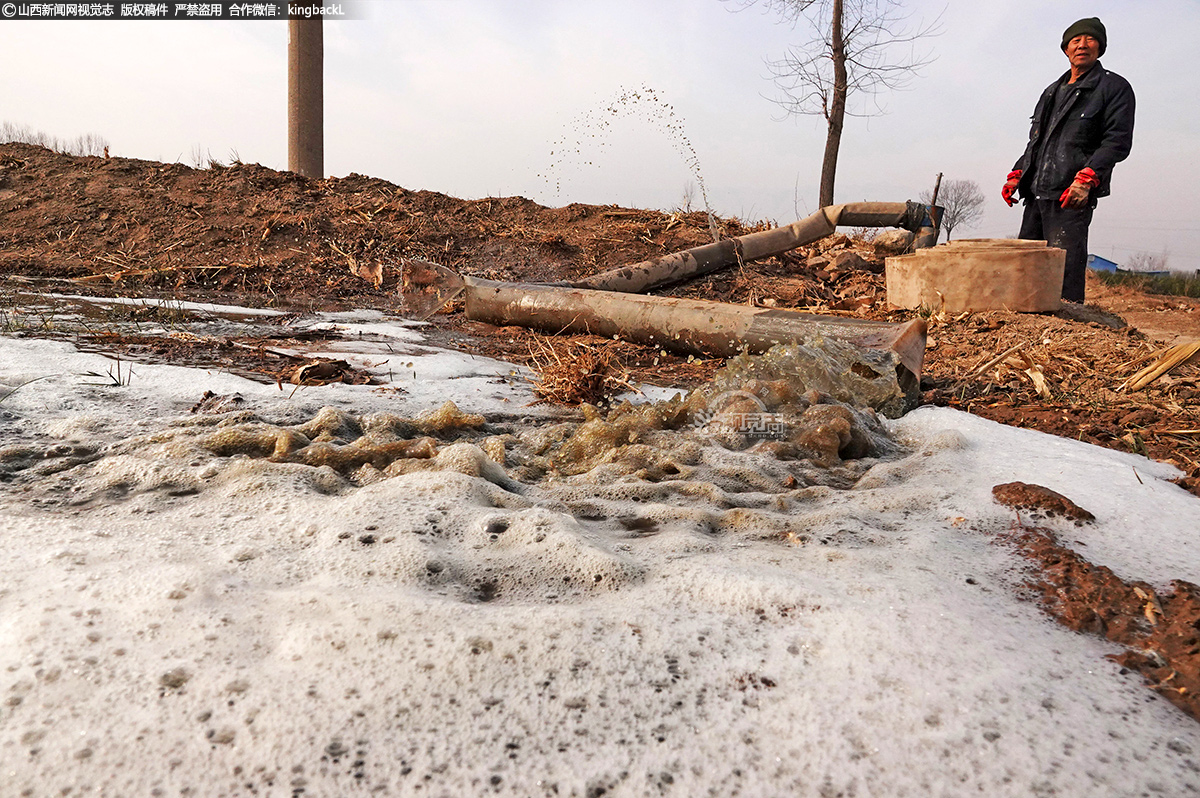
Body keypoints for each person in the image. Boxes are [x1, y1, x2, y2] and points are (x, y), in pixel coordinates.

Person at [1002, 17, 1135, 304]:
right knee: (1026, 268)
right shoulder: (1051, 91)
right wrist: (1017, 172)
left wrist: (1086, 178)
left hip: (1070, 195)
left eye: (1090, 40)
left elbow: (1117, 141)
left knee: (1065, 272)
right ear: (1066, 49)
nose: (1082, 45)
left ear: (1100, 47)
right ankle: (1027, 327)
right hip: (1036, 193)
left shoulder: (1114, 88)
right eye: (1076, 40)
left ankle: (1066, 327)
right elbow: (1038, 140)